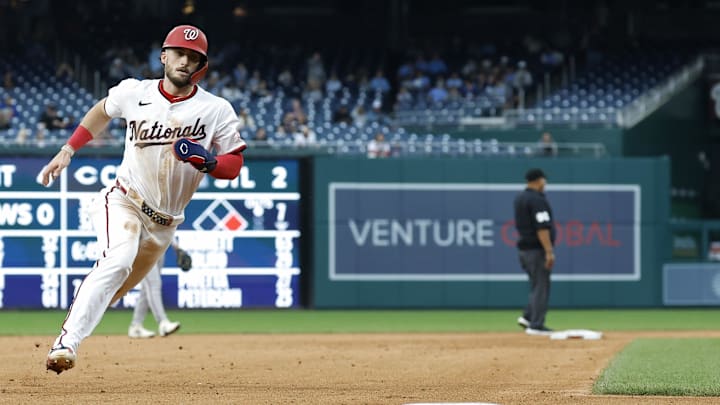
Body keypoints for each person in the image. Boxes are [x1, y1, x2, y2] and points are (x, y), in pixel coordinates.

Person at [42, 24, 247, 374]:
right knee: (117, 259)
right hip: (125, 200)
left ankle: (74, 330)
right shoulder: (134, 92)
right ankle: (65, 345)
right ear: (164, 56)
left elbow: (234, 163)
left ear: (201, 65)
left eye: (193, 57)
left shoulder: (216, 110)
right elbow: (102, 111)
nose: (185, 60)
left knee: (116, 290)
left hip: (165, 225)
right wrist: (68, 149)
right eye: (180, 53)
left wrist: (208, 161)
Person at [514, 168, 556, 336]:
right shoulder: (537, 200)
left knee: (536, 285)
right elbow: (542, 227)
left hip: (524, 250)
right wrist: (549, 251)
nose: (545, 184)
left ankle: (528, 316)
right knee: (541, 286)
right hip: (536, 250)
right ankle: (536, 325)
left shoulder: (520, 198)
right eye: (544, 181)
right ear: (539, 180)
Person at [128, 241, 191, 339]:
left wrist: (176, 247)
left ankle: (136, 326)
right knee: (154, 284)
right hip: (144, 249)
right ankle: (163, 322)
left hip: (159, 249)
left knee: (146, 289)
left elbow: (164, 227)